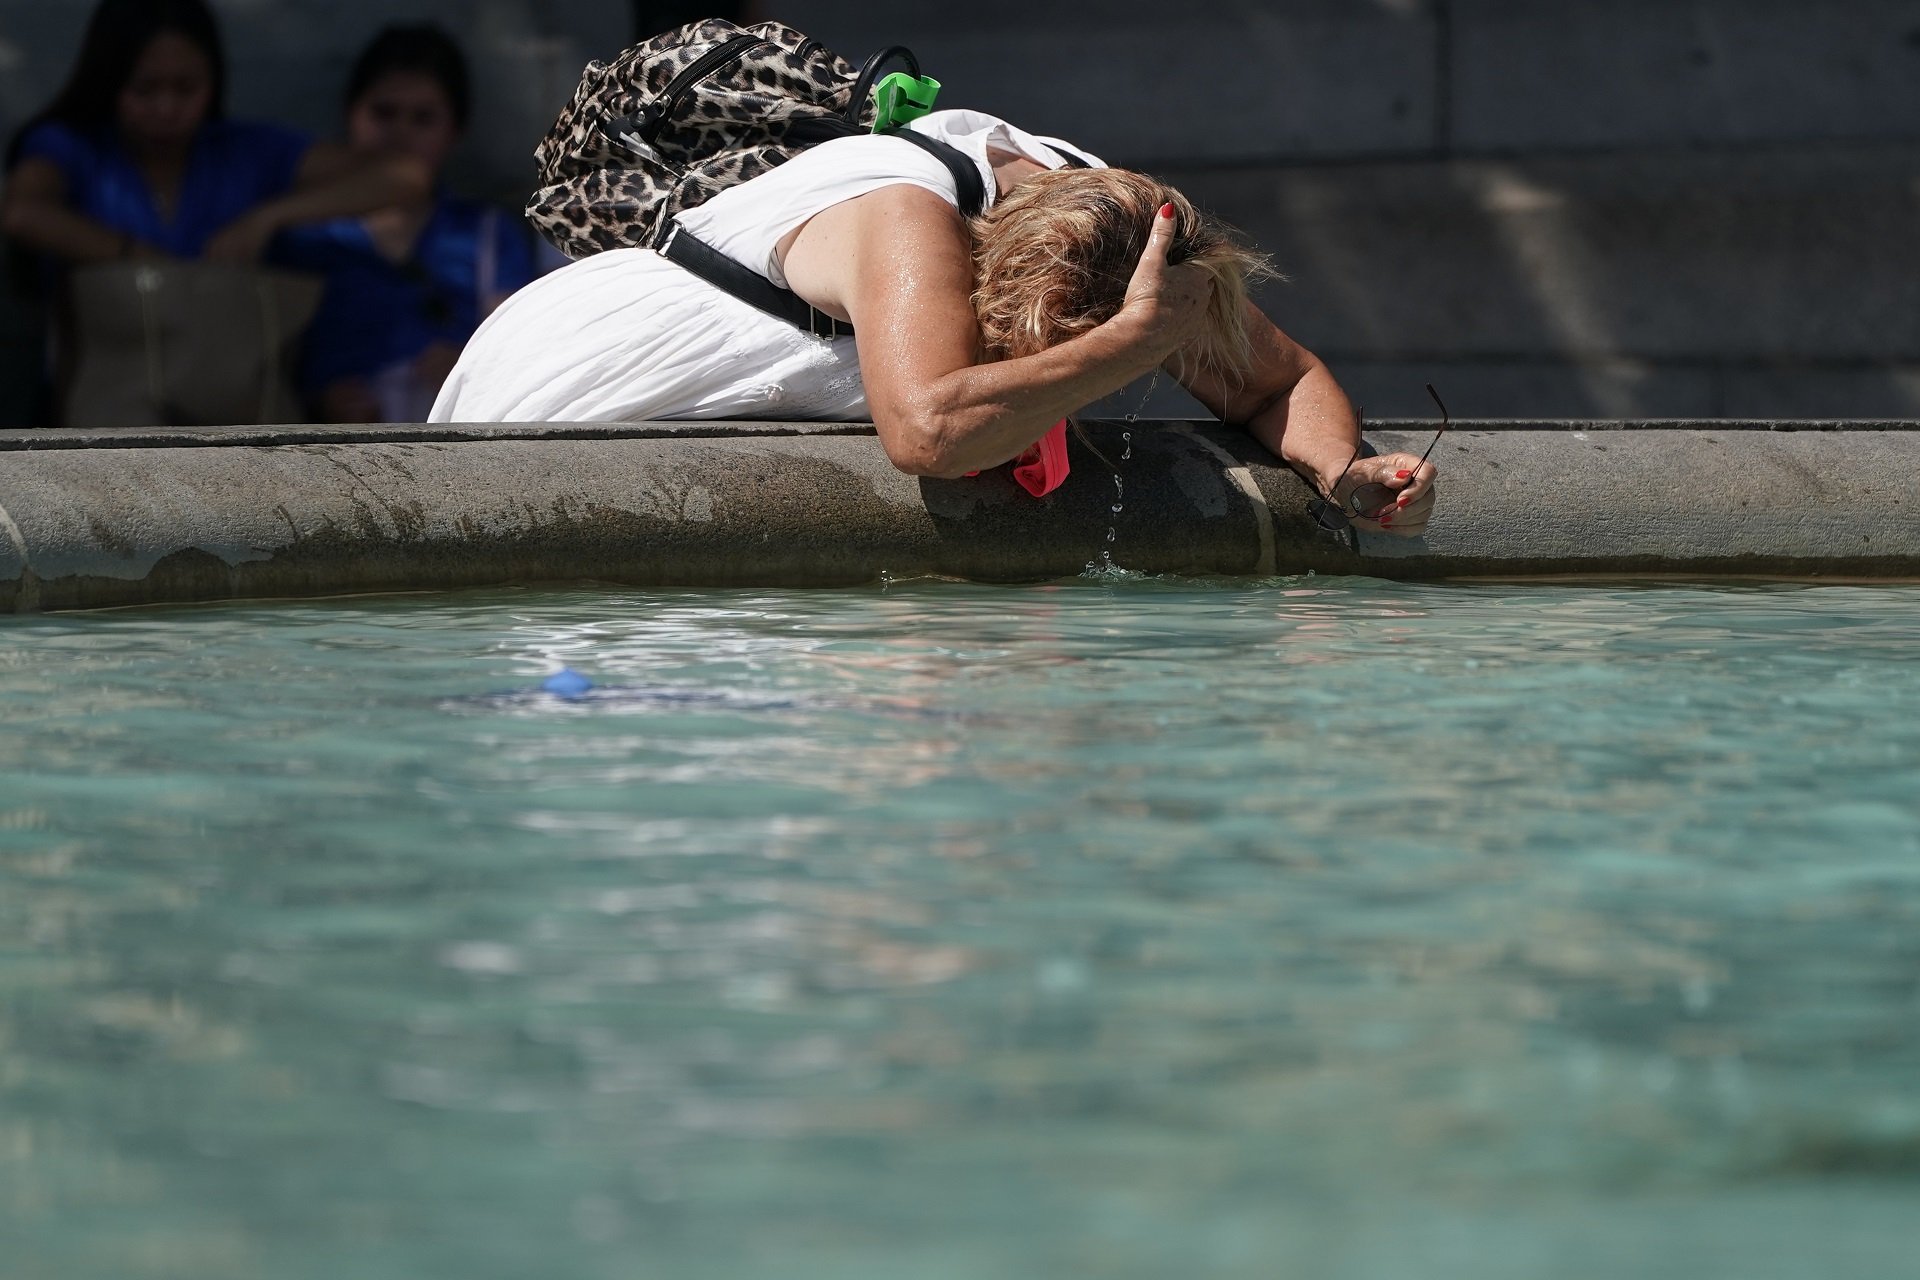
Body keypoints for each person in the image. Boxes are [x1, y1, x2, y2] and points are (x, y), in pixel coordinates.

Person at [433, 109, 1436, 535]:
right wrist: (1124, 349)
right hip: (571, 388)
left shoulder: (1130, 235)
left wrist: (1344, 472)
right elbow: (928, 433)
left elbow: (1275, 379)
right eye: (1053, 357)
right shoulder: (909, 215)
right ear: (993, 290)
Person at [0, 0, 430, 273]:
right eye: (145, 90)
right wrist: (143, 263)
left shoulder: (245, 151)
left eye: (186, 90)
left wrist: (268, 217)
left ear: (214, 83)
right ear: (108, 83)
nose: (166, 109)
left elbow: (407, 177)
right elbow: (22, 211)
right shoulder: (70, 146)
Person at [277, 24, 535, 423]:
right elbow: (266, 363)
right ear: (350, 114)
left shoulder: (488, 235)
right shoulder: (306, 236)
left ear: (456, 131)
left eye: (423, 118)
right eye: (384, 113)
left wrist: (466, 373)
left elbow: (518, 358)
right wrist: (320, 398)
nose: (400, 132)